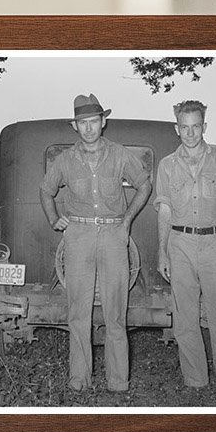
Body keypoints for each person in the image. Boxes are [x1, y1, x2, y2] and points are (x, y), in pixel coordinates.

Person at [40, 94, 151, 393]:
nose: (88, 128)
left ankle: (118, 382)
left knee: (116, 312)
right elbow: (46, 190)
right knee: (78, 312)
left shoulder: (120, 154)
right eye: (82, 123)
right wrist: (54, 219)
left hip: (115, 235)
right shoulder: (65, 160)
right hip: (78, 235)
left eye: (93, 122)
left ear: (103, 122)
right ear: (75, 127)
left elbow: (144, 184)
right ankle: (79, 379)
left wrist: (127, 220)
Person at [155, 99, 216, 406]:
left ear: (204, 127)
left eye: (196, 127)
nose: (190, 133)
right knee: (185, 319)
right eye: (184, 127)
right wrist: (162, 251)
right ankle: (194, 382)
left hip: (215, 243)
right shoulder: (167, 165)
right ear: (177, 128)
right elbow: (164, 211)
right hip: (179, 243)